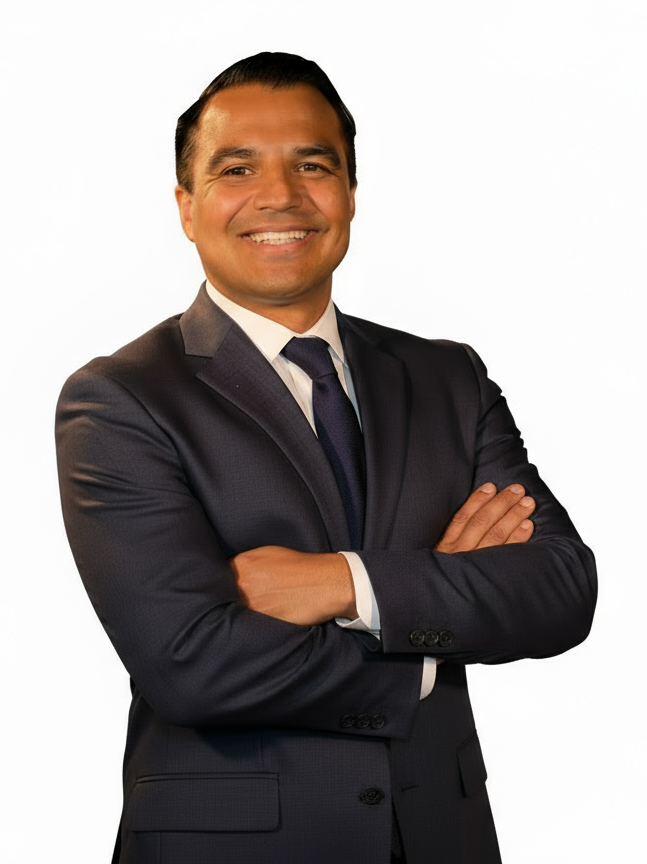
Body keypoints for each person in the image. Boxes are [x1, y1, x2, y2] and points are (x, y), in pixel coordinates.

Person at [55, 52, 597, 864]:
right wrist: (426, 631)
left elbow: (560, 588)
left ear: (348, 192)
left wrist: (345, 582)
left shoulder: (446, 377)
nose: (280, 196)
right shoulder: (120, 399)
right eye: (237, 169)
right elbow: (193, 666)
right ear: (187, 207)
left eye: (313, 165)